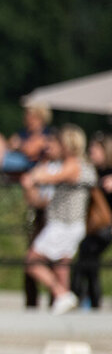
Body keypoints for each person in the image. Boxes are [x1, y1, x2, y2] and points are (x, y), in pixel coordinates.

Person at [21, 125, 94, 314]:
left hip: (65, 223)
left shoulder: (73, 165)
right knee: (62, 267)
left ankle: (61, 294)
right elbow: (41, 199)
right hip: (68, 223)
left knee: (32, 260)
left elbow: (54, 177)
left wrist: (36, 174)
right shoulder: (80, 164)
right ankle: (64, 303)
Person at [70, 132, 112, 311]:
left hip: (105, 227)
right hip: (94, 226)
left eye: (95, 149)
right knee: (88, 262)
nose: (91, 152)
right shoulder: (93, 172)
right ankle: (88, 301)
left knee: (88, 261)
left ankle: (83, 299)